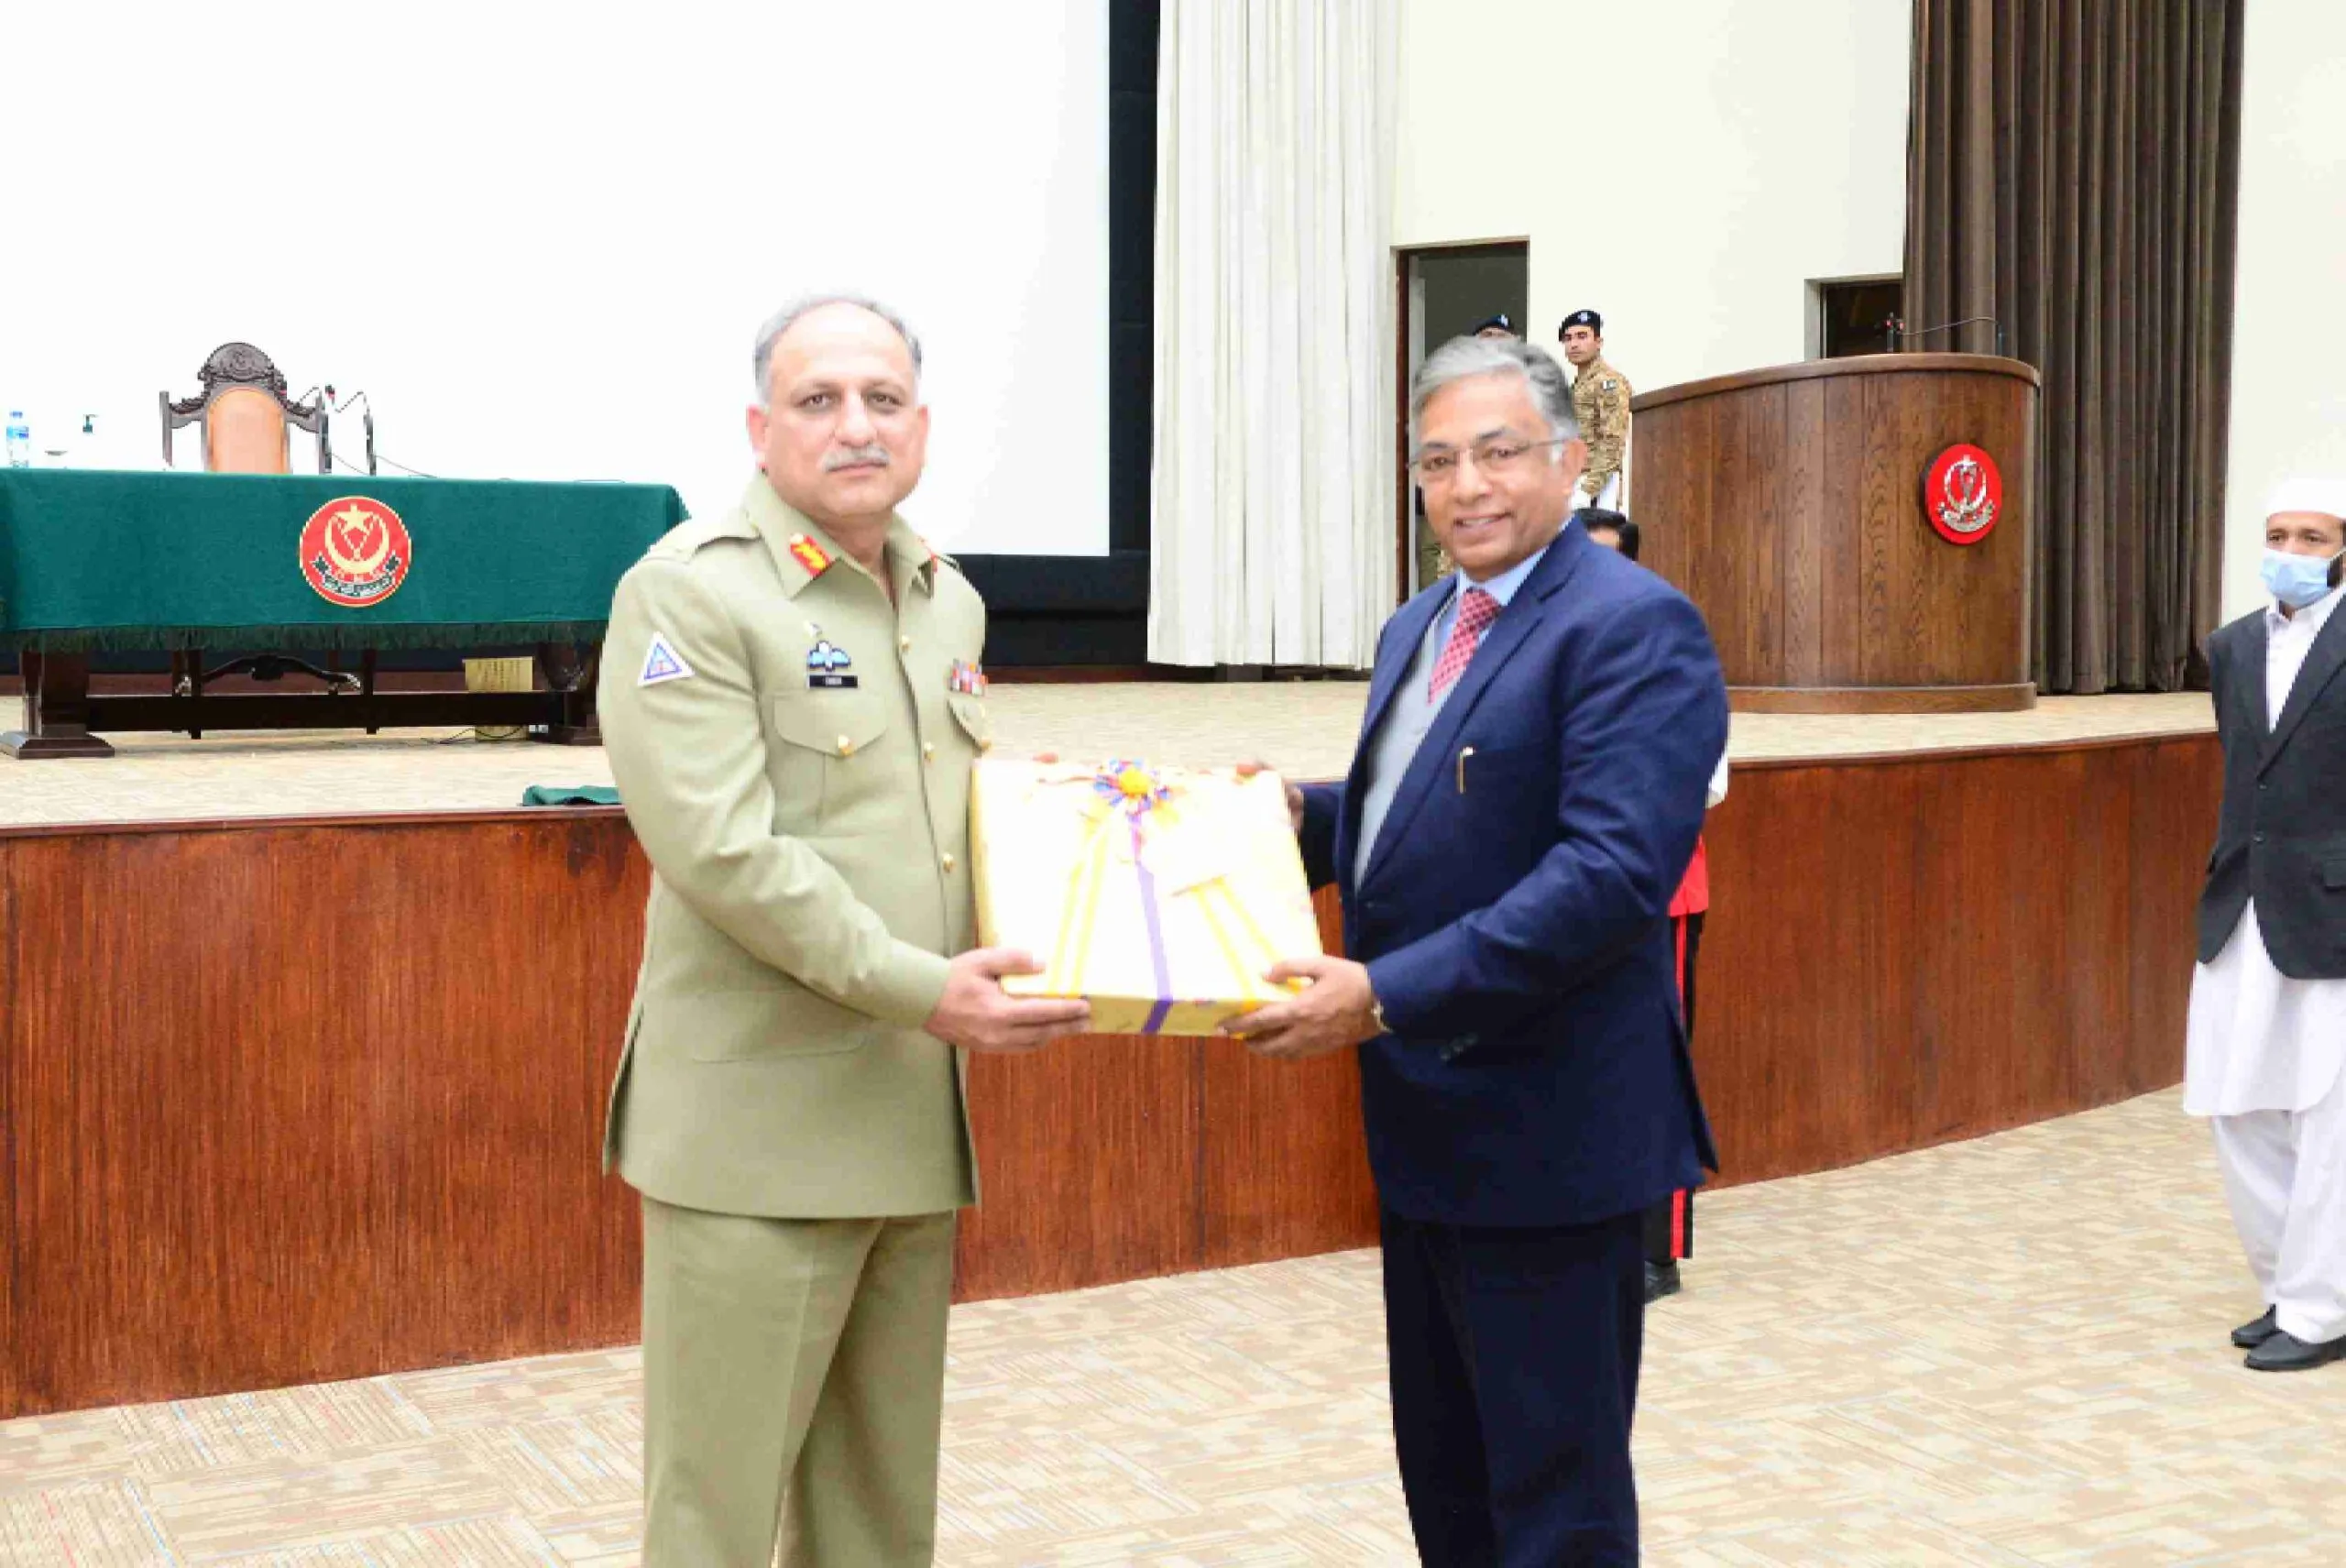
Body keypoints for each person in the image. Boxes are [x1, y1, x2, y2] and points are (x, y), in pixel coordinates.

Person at [597, 294, 1093, 1565]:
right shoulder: (689, 595)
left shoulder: (949, 602)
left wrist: (1121, 865)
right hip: (760, 1135)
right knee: (714, 1514)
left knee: (878, 1515)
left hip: (903, 1115)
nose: (855, 426)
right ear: (762, 429)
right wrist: (925, 986)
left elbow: (952, 824)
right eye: (818, 400)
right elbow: (725, 851)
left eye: (882, 399)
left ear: (921, 426)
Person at [1226, 334, 1727, 1564]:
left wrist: (1382, 993)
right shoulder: (1420, 624)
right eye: (1439, 459)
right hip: (1429, 1135)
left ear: (1570, 460)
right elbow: (1409, 811)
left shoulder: (1633, 626)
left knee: (1553, 1504)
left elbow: (1607, 878)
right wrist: (1294, 818)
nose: (1468, 486)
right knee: (1450, 1482)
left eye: (1500, 452)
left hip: (1552, 1139)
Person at [2188, 477, 2346, 1374]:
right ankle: (2286, 1283)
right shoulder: (2231, 645)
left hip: (2330, 905)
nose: (2290, 550)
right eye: (2278, 533)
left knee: (2325, 1113)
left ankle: (2320, 1310)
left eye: (2313, 536)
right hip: (2239, 900)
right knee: (2235, 1100)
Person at [1583, 507, 1727, 1305]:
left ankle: (1656, 1254)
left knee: (1655, 1069)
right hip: (1569, 894)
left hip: (1660, 895)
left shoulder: (1672, 646)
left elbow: (1710, 778)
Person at [1559, 308, 1632, 510]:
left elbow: (1613, 440)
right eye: (1568, 338)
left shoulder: (1608, 382)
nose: (1573, 344)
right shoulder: (1577, 385)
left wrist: (1588, 490)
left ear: (1598, 342)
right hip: (1576, 481)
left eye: (1582, 336)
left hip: (1598, 484)